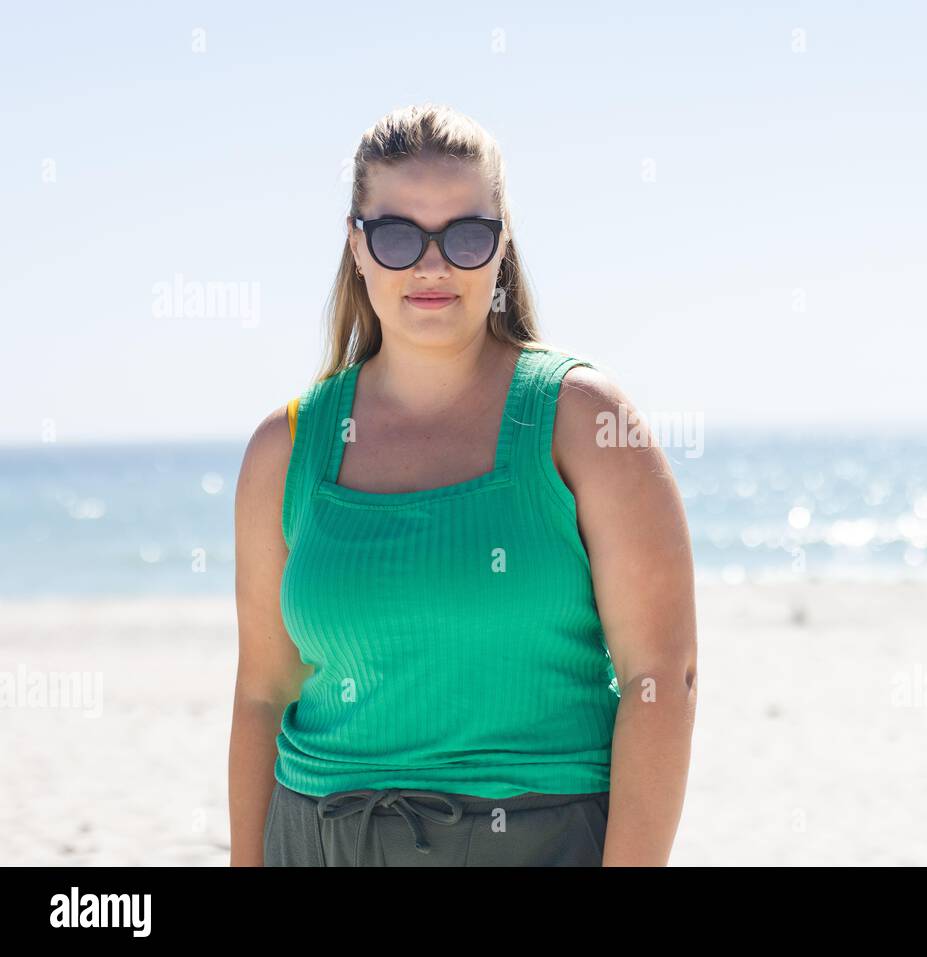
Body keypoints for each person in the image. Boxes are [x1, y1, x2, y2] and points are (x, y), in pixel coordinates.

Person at [228, 103, 697, 866]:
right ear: (357, 244)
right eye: (399, 235)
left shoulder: (585, 421)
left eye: (466, 235)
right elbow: (260, 694)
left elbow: (661, 677)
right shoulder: (284, 448)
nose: (433, 265)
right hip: (314, 840)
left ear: (502, 241)